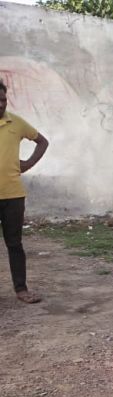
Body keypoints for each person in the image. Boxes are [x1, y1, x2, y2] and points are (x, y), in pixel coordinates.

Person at [0, 79, 49, 303]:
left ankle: (21, 289)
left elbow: (42, 142)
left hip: (13, 195)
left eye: (3, 99)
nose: (1, 104)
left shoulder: (16, 123)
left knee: (14, 243)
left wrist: (28, 164)